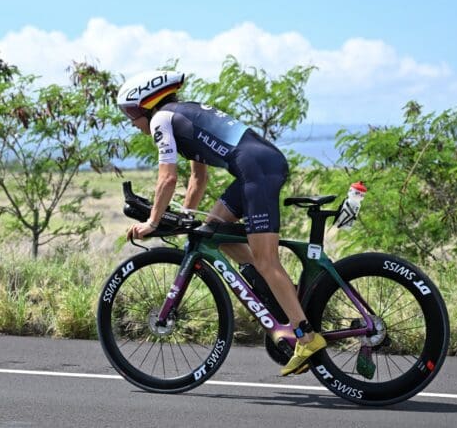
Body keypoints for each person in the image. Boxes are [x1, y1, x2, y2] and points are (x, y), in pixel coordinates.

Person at [117, 70, 326, 376]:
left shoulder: (162, 119)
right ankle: (285, 295)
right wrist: (186, 219)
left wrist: (153, 221)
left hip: (256, 171)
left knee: (268, 262)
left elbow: (167, 177)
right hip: (256, 166)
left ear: (147, 104)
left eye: (131, 113)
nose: (132, 123)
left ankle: (306, 337)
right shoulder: (183, 114)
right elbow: (197, 179)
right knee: (214, 229)